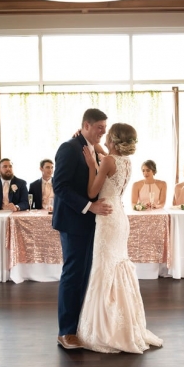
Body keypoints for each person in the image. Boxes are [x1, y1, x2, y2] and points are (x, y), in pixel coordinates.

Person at [76, 123, 163, 353]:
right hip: (120, 217)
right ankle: (126, 324)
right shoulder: (126, 161)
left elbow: (92, 193)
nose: (103, 137)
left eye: (107, 135)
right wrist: (94, 147)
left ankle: (106, 329)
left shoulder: (106, 161)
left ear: (114, 141)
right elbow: (108, 158)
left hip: (106, 217)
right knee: (117, 265)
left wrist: (91, 166)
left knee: (105, 267)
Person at [53, 108, 112, 350]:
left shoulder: (95, 148)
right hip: (74, 220)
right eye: (99, 127)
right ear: (86, 125)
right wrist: (89, 206)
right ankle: (66, 331)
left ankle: (80, 326)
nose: (103, 131)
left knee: (86, 274)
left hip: (91, 220)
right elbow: (60, 186)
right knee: (73, 274)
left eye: (105, 128)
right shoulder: (69, 147)